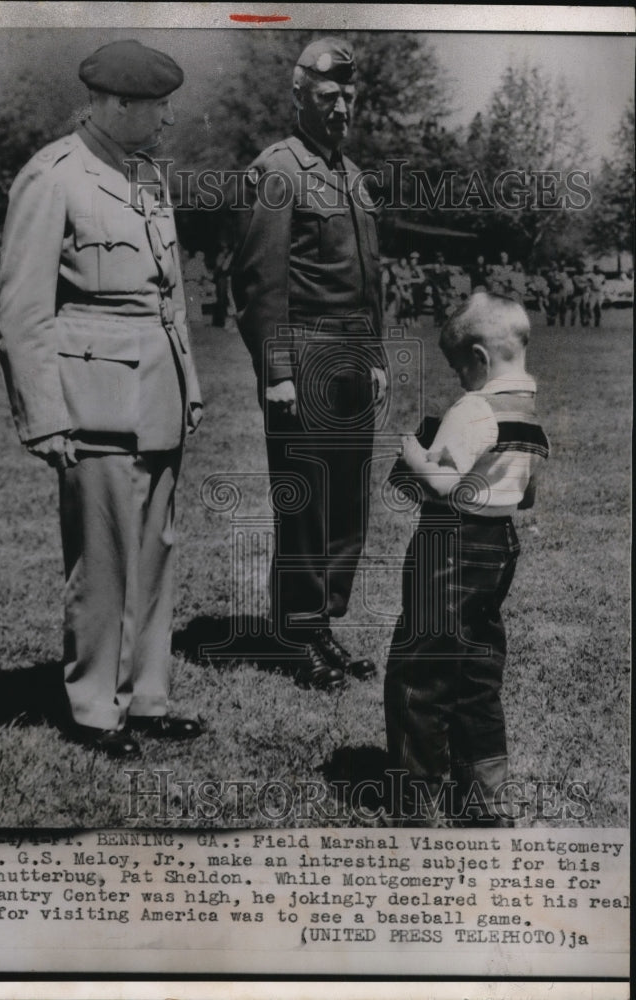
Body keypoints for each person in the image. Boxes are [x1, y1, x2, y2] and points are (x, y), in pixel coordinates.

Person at [0, 40, 203, 758]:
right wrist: (43, 415)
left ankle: (146, 696)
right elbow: (22, 310)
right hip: (94, 398)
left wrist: (190, 385)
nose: (168, 119)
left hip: (157, 393)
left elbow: (169, 297)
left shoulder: (144, 175)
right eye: (158, 106)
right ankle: (94, 709)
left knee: (154, 553)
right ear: (117, 104)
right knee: (104, 560)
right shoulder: (52, 176)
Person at [232, 37, 383, 689]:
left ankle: (322, 625)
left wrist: (374, 356)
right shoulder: (278, 170)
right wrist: (278, 372)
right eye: (328, 95)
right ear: (300, 98)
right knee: (305, 503)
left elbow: (371, 280)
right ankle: (296, 634)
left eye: (348, 95)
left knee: (347, 500)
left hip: (351, 358)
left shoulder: (351, 176)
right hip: (305, 353)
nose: (341, 107)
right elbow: (258, 281)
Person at [384, 291, 549, 825]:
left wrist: (412, 455)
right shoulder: (528, 416)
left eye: (458, 366)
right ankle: (486, 799)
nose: (458, 377)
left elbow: (441, 483)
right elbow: (526, 495)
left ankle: (413, 800)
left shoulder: (475, 409)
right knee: (478, 672)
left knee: (420, 670)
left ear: (478, 357)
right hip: (498, 545)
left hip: (450, 545)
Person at [429, 251, 453, 325]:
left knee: (448, 300)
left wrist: (449, 288)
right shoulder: (434, 268)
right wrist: (438, 289)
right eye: (439, 257)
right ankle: (438, 320)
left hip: (445, 288)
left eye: (442, 257)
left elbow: (447, 280)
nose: (441, 259)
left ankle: (444, 318)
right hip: (436, 289)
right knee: (440, 302)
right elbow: (433, 280)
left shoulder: (445, 268)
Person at [588, 264, 606, 328]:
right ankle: (587, 321)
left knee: (598, 307)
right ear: (594, 269)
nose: (598, 270)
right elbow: (589, 284)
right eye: (596, 269)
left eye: (598, 269)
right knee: (590, 307)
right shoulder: (590, 275)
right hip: (593, 292)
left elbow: (603, 283)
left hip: (599, 293)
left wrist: (603, 291)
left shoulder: (602, 276)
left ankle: (597, 322)